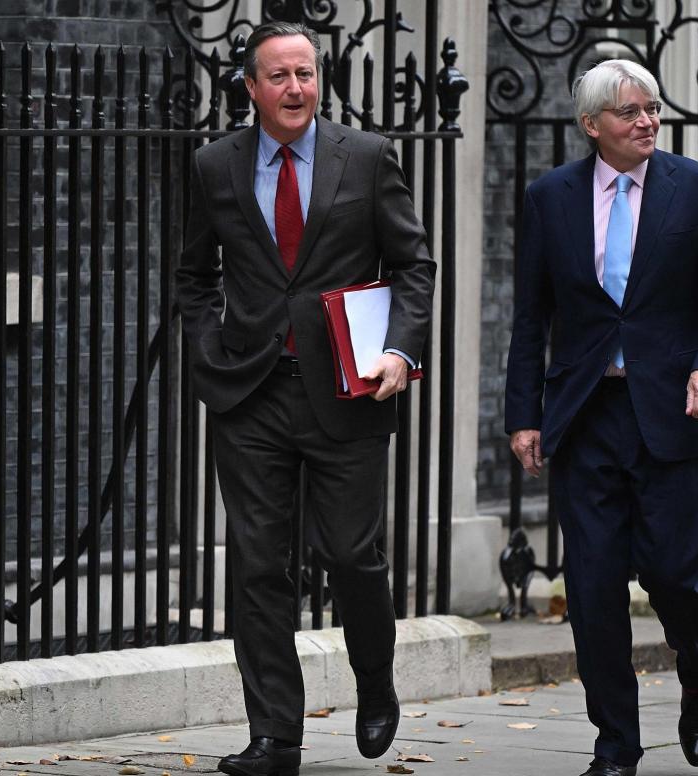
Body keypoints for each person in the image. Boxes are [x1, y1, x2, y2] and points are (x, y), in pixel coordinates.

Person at [175, 20, 433, 776]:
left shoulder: (369, 157)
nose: (295, 88)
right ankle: (274, 738)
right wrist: (206, 348)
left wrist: (399, 349)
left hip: (345, 391)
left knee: (353, 555)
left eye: (306, 74)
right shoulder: (214, 165)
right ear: (250, 87)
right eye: (279, 76)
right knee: (257, 564)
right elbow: (194, 274)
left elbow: (413, 265)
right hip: (249, 393)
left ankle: (375, 682)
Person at [504, 59, 698, 775]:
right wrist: (525, 415)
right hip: (584, 419)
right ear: (591, 126)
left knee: (675, 575)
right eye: (629, 112)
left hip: (670, 411)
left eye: (652, 109)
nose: (646, 121)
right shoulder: (550, 197)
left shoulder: (694, 189)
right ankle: (615, 747)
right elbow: (530, 316)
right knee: (591, 593)